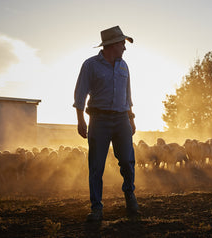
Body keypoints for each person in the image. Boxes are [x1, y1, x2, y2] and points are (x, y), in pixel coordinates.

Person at [73, 26, 138, 221]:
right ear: (112, 45)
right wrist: (80, 120)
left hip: (121, 119)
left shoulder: (124, 66)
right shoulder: (90, 65)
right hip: (99, 119)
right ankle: (96, 208)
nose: (125, 48)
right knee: (96, 165)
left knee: (127, 160)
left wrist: (131, 118)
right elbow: (80, 93)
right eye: (122, 43)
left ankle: (130, 195)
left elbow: (128, 95)